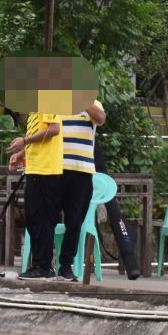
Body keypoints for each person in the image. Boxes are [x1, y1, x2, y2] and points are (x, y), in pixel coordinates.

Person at [7, 111, 63, 279]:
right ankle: (39, 265)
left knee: (42, 220)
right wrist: (21, 154)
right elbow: (40, 140)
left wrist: (24, 141)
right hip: (35, 170)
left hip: (46, 171)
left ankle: (43, 267)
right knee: (33, 219)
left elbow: (55, 129)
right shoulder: (34, 110)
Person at [55, 99, 106, 282]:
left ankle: (65, 266)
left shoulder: (92, 103)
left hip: (82, 173)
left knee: (74, 222)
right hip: (55, 170)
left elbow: (100, 118)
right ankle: (42, 264)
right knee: (47, 218)